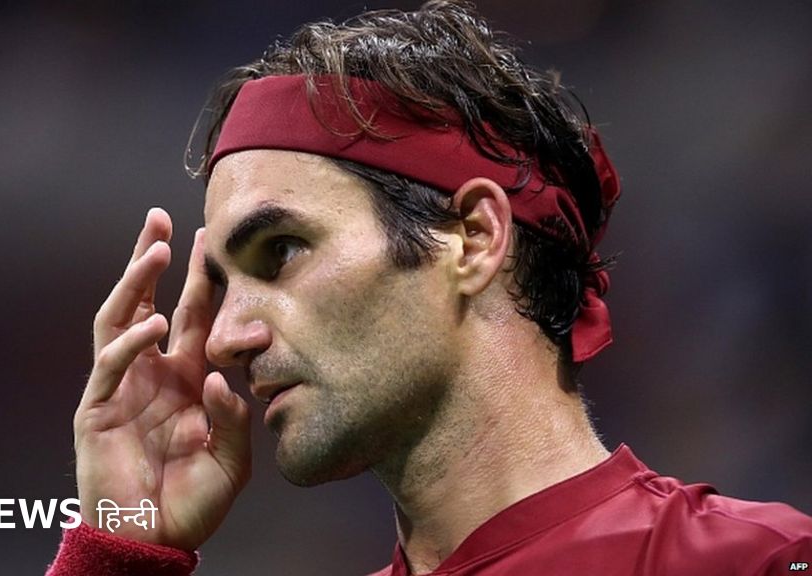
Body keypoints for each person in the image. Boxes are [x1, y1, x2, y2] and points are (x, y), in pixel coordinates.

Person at [46, 2, 812, 574]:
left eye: (280, 251)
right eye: (224, 285)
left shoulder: (759, 562)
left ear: (474, 238)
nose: (223, 339)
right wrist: (120, 555)